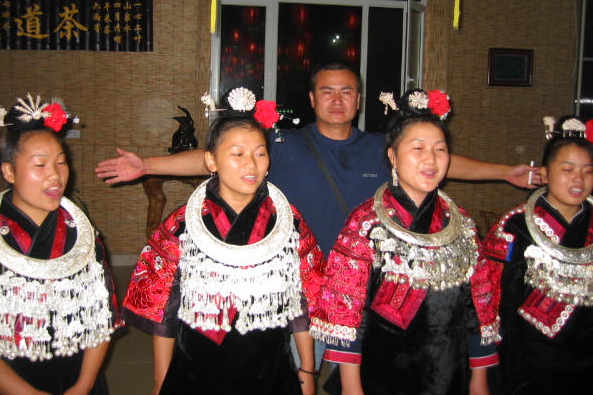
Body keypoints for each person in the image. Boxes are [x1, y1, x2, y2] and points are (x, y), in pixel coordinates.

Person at [95, 60, 539, 257]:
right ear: (312, 98)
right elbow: (217, 158)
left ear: (359, 99)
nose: (337, 100)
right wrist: (147, 165)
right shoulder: (283, 143)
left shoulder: (380, 146)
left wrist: (506, 173)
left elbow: (439, 164)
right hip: (300, 274)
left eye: (347, 92)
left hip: (361, 277)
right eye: (327, 91)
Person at [121, 99, 325, 395]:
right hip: (197, 369)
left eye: (260, 153)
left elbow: (302, 302)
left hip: (270, 369)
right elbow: (165, 311)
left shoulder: (288, 222)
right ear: (211, 161)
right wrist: (160, 380)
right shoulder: (183, 224)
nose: (251, 164)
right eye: (237, 153)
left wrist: (307, 368)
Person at [309, 89, 497, 395]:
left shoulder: (461, 225)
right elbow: (346, 313)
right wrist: (352, 387)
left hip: (451, 371)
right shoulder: (365, 224)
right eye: (418, 148)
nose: (430, 160)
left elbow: (478, 306)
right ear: (393, 156)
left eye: (440, 149)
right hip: (381, 373)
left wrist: (479, 378)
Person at [0, 94, 120, 395]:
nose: (55, 175)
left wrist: (84, 384)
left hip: (77, 378)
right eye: (40, 164)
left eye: (61, 162)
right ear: (9, 172)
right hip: (4, 383)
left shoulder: (82, 237)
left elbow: (102, 317)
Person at [472, 116, 593, 394]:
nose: (578, 180)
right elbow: (485, 301)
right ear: (545, 174)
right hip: (526, 365)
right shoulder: (514, 227)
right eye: (567, 169)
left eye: (588, 171)